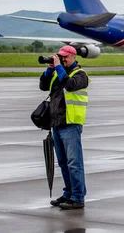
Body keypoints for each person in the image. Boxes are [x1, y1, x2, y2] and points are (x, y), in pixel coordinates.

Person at [39, 45, 89, 210]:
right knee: (63, 162)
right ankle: (68, 193)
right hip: (57, 123)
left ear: (74, 57)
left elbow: (70, 85)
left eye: (65, 57)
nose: (63, 59)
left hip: (71, 124)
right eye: (61, 57)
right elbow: (43, 86)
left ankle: (78, 197)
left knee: (74, 163)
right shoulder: (57, 72)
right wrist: (49, 70)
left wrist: (59, 68)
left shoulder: (80, 75)